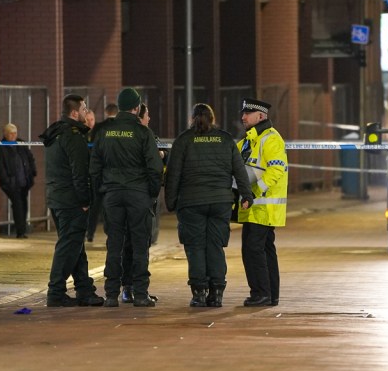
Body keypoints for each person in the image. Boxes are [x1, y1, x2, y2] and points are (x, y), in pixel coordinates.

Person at [166, 103, 253, 307]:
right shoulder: (224, 139)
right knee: (215, 246)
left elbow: (173, 174)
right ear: (212, 119)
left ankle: (199, 293)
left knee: (195, 247)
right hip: (220, 202)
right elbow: (239, 170)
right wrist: (246, 195)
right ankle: (217, 292)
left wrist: (170, 201)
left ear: (192, 119)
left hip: (191, 202)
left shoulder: (183, 140)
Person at [90, 88, 164, 307]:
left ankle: (111, 294)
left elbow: (94, 168)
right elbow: (155, 168)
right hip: (138, 194)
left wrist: (99, 194)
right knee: (140, 245)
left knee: (114, 245)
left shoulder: (103, 132)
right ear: (137, 107)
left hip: (112, 195)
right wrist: (150, 193)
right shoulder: (143, 133)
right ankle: (140, 294)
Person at [38, 95, 104, 307]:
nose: (87, 112)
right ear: (74, 113)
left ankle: (84, 289)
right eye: (84, 109)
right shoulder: (73, 137)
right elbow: (79, 172)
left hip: (57, 198)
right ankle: (55, 291)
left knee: (75, 245)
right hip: (71, 200)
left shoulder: (56, 133)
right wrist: (85, 200)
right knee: (68, 246)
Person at [237, 98, 289, 307]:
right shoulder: (248, 141)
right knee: (264, 249)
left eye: (247, 113)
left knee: (253, 249)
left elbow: (277, 169)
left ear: (260, 116)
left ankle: (261, 293)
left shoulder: (271, 139)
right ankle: (269, 294)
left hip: (264, 206)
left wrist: (254, 191)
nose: (243, 117)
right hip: (255, 206)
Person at [0, 123, 37, 238]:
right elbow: (1, 165)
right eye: (11, 133)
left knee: (23, 204)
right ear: (5, 134)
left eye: (15, 133)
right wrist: (6, 180)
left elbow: (30, 158)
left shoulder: (21, 144)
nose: (13, 136)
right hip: (11, 183)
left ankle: (22, 229)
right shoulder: (2, 146)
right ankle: (20, 231)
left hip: (24, 181)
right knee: (18, 204)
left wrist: (32, 173)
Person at [86, 103, 118, 243]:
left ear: (106, 112)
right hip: (114, 173)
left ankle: (90, 233)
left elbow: (94, 151)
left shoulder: (99, 128)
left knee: (95, 205)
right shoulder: (121, 127)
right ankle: (112, 234)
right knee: (112, 207)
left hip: (99, 173)